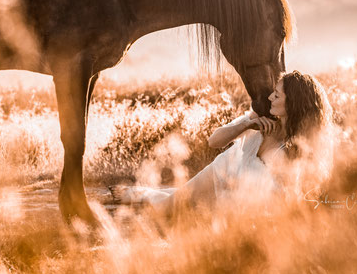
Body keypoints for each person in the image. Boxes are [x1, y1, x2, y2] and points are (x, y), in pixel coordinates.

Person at [114, 70, 332, 218]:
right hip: (223, 171)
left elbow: (293, 193)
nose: (271, 99)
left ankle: (155, 192)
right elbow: (214, 141)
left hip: (239, 199)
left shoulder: (300, 145)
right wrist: (246, 124)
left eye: (277, 95)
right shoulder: (261, 118)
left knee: (191, 212)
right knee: (167, 209)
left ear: (292, 103)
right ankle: (136, 194)